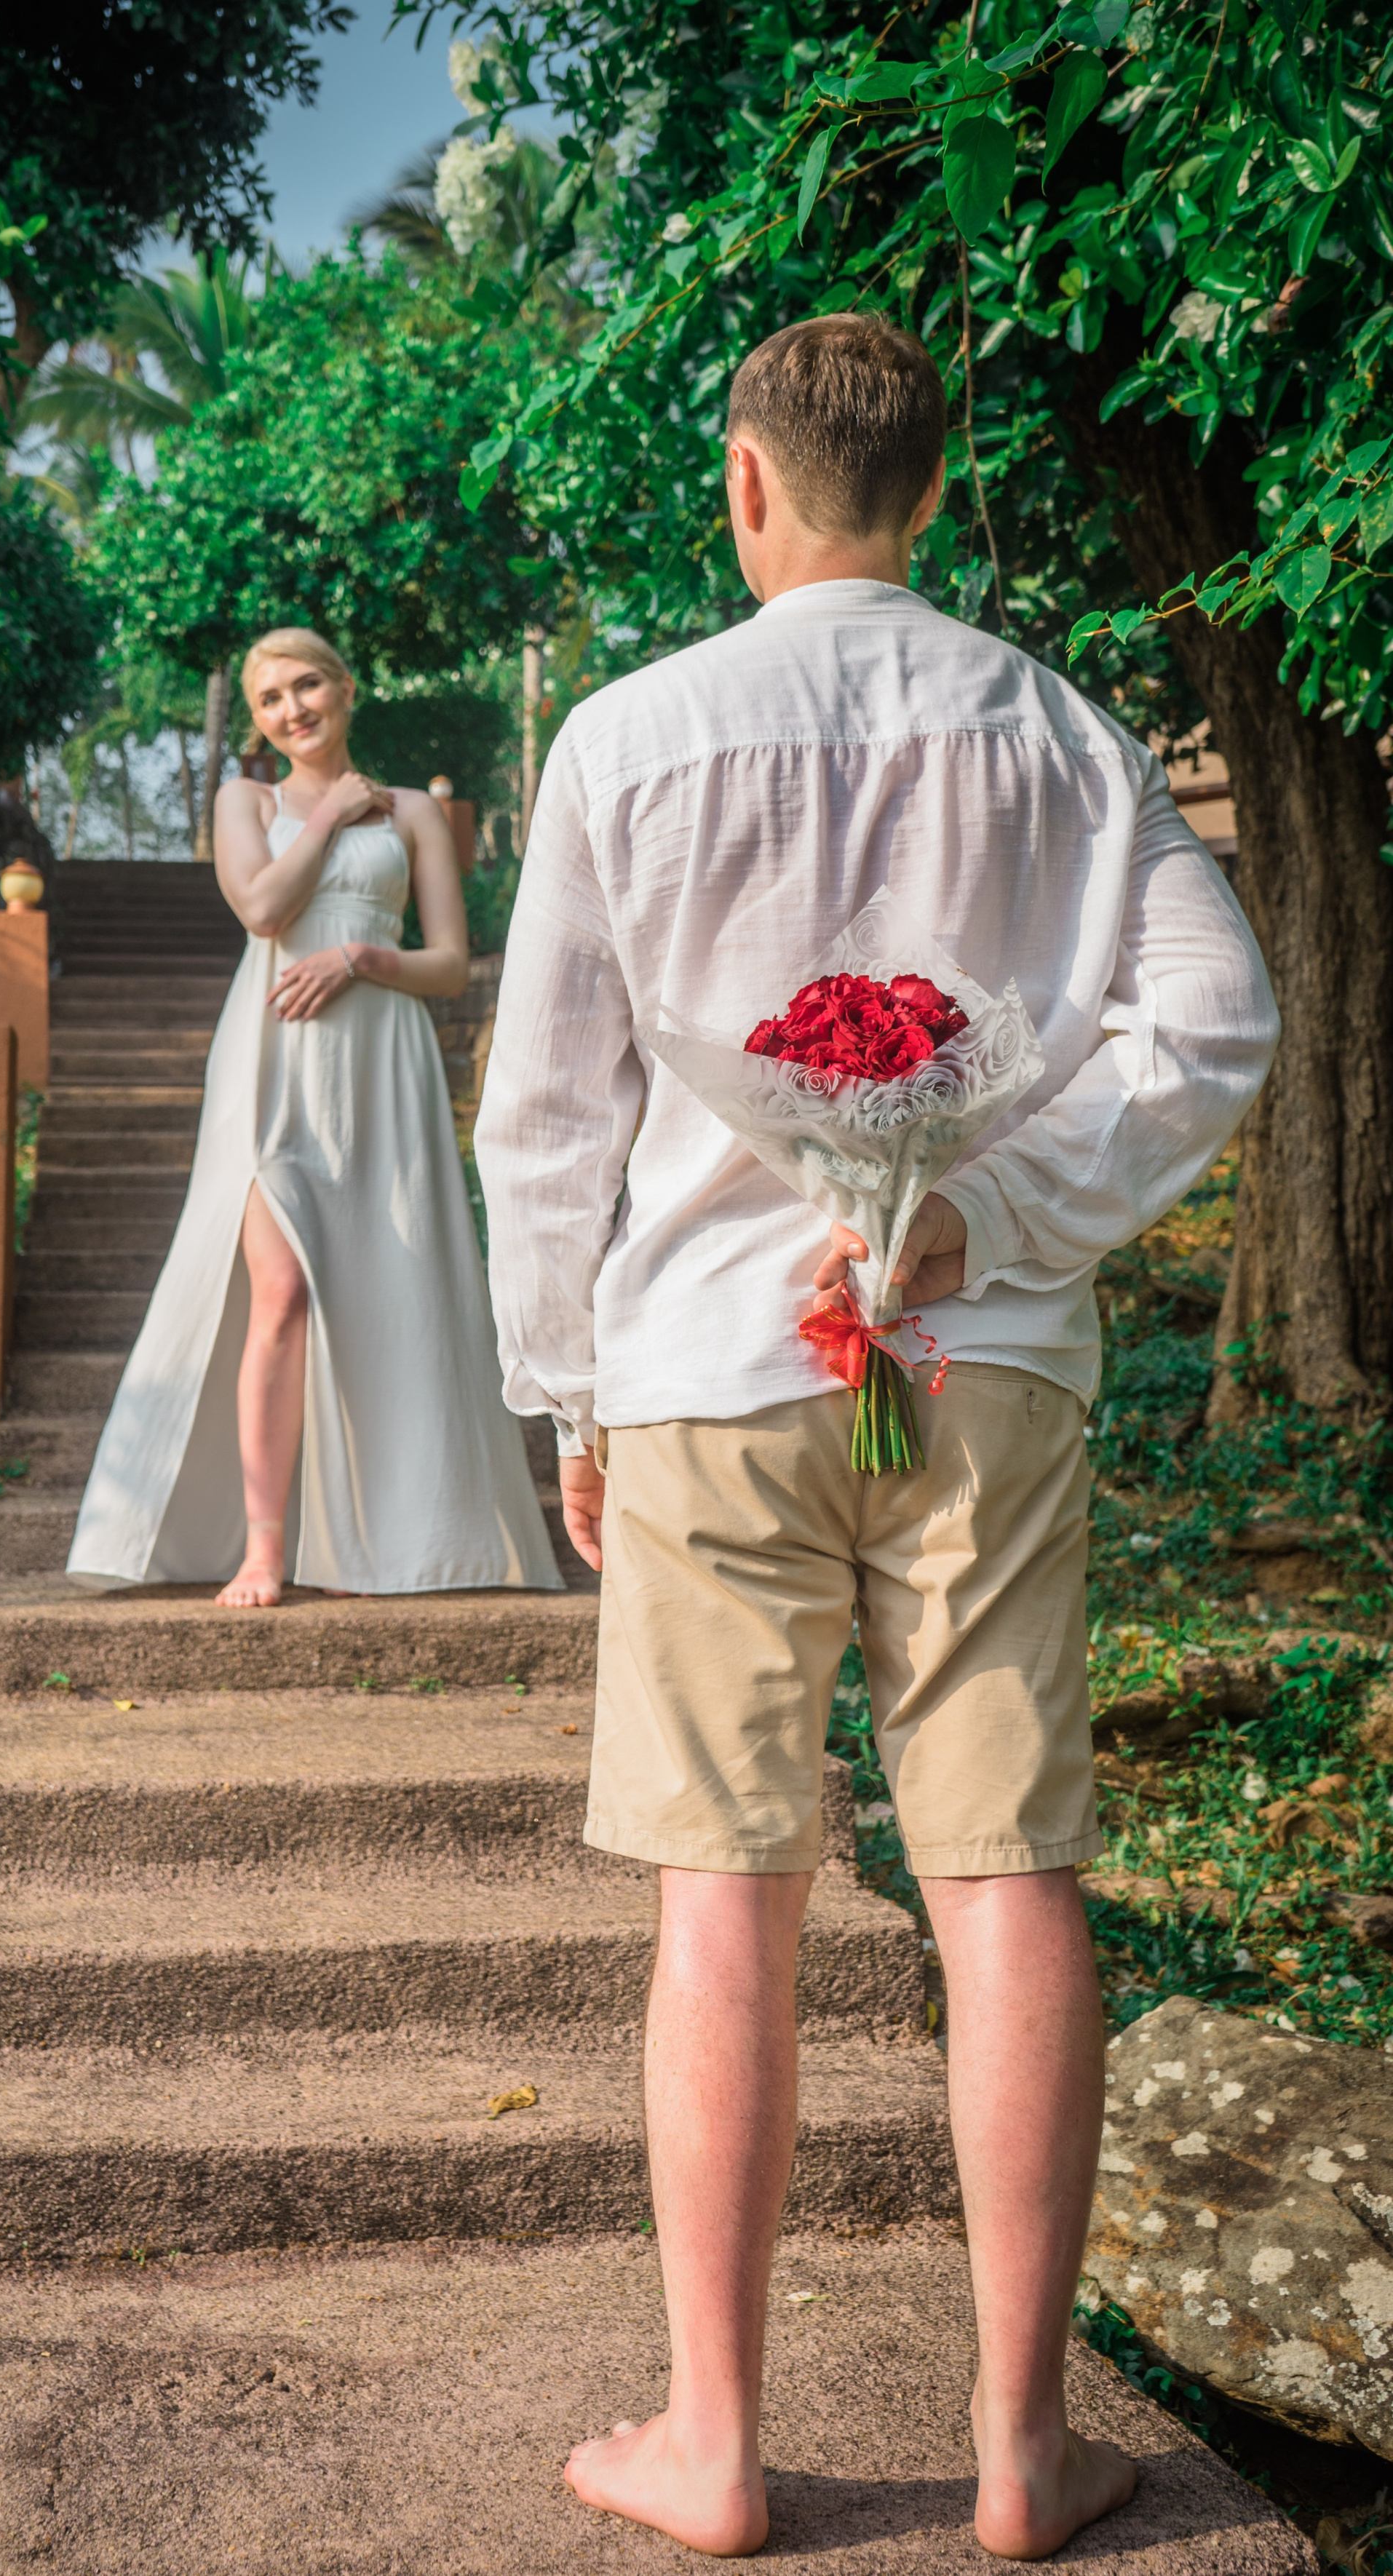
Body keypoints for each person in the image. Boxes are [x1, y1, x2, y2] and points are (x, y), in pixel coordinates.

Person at [474, 314, 1278, 2559]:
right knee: (1007, 1875)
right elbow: (1220, 1023)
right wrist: (995, 1211)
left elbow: (546, 1116)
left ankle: (715, 2441)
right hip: (987, 1361)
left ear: (746, 484)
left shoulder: (630, 740)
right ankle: (1026, 2450)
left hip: (720, 1379)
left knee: (724, 1897)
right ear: (936, 487)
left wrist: (566, 1388)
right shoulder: (1067, 735)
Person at [67, 624, 560, 1607]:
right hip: (272, 1068)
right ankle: (261, 1547)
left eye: (307, 688)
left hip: (381, 1066)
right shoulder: (244, 801)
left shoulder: (416, 812)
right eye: (269, 700)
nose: (291, 710)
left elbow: (452, 965)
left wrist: (365, 959)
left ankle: (413, 1526)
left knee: (395, 1283)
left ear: (346, 688)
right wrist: (331, 813)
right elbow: (261, 908)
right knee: (280, 1291)